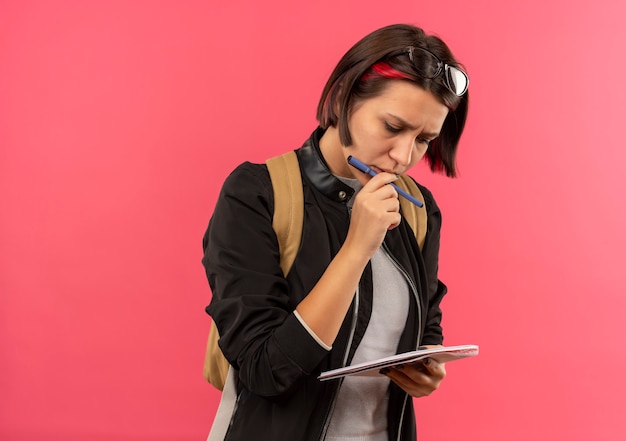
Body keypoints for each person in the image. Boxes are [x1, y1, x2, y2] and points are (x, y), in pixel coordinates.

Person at [201, 23, 469, 441]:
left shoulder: (419, 212)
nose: (403, 156)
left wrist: (427, 367)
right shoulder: (257, 194)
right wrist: (357, 248)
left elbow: (427, 327)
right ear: (343, 97)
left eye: (424, 139)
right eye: (393, 127)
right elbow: (265, 370)